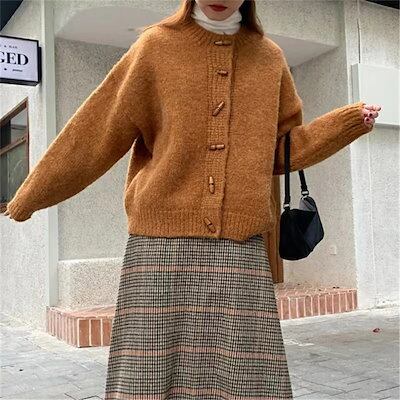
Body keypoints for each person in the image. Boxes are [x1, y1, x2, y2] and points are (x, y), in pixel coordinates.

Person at [4, 0, 381, 398]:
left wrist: (345, 124)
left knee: (244, 381)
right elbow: (96, 130)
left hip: (240, 251)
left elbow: (282, 150)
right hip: (158, 251)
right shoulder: (155, 47)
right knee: (149, 379)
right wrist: (31, 194)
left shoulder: (270, 59)